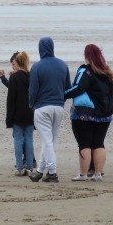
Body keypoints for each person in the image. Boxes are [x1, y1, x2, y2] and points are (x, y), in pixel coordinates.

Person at [64, 44, 113, 182]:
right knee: (99, 143)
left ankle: (83, 174)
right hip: (104, 114)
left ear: (87, 56)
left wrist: (63, 95)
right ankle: (98, 174)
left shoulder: (85, 71)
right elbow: (110, 94)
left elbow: (78, 88)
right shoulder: (107, 72)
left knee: (84, 143)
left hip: (85, 114)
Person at [27, 37, 71, 183]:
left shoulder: (37, 67)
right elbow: (67, 88)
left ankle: (52, 172)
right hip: (58, 107)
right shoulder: (63, 65)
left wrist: (32, 105)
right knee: (50, 141)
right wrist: (61, 101)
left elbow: (33, 90)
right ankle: (39, 171)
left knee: (47, 141)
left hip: (42, 106)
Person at [0, 51, 36, 170]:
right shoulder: (33, 76)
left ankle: (20, 167)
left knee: (18, 140)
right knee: (29, 139)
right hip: (30, 112)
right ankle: (30, 167)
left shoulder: (14, 77)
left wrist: (9, 117)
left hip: (18, 113)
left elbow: (11, 98)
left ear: (18, 63)